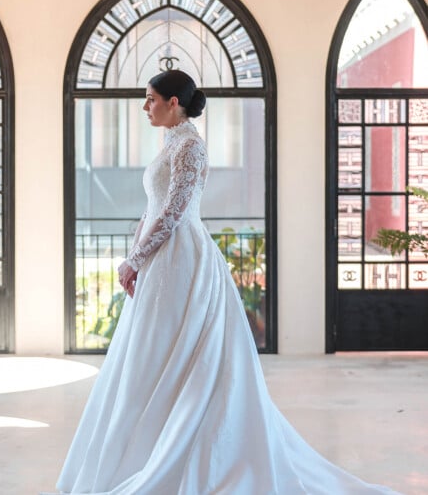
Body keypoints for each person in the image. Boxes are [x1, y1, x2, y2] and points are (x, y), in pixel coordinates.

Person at [51, 70, 399, 494]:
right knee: (151, 355)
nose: (146, 107)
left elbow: (176, 210)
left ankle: (184, 452)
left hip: (182, 259)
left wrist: (135, 259)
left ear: (174, 102)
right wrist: (136, 254)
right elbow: (154, 205)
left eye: (151, 99)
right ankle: (142, 449)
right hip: (161, 259)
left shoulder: (191, 147)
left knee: (182, 355)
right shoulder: (171, 142)